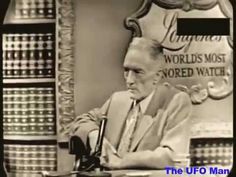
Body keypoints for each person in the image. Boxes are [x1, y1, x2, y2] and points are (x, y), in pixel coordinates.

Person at [68, 37, 192, 170]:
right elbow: (81, 121)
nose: (129, 80)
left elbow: (172, 157)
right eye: (126, 70)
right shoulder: (118, 100)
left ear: (157, 76)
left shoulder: (176, 102)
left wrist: (121, 161)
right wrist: (94, 136)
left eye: (138, 72)